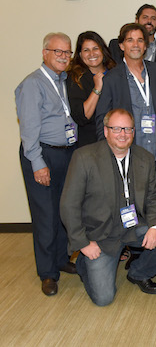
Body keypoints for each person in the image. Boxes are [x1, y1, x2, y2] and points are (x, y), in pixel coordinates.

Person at [60, 109, 156, 306]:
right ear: (106, 131)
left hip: (133, 225)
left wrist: (155, 227)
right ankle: (84, 263)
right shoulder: (84, 158)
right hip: (100, 234)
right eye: (116, 129)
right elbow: (68, 204)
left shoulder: (145, 158)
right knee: (104, 299)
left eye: (127, 129)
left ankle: (138, 273)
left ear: (133, 132)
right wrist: (82, 243)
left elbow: (153, 197)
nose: (122, 134)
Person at [16, 32, 78, 296]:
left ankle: (61, 259)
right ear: (45, 53)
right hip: (42, 154)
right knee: (45, 215)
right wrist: (38, 163)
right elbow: (29, 130)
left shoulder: (63, 81)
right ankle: (47, 273)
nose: (63, 57)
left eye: (67, 52)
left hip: (65, 153)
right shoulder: (33, 84)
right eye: (58, 52)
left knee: (63, 209)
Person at [95, 23, 156, 191]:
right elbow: (101, 118)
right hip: (128, 156)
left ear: (146, 45)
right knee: (132, 209)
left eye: (140, 40)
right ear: (121, 45)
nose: (135, 44)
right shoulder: (112, 78)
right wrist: (109, 155)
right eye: (130, 40)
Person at [67, 31, 117, 147]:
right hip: (90, 143)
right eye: (86, 50)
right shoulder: (75, 78)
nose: (92, 54)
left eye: (95, 48)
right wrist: (97, 88)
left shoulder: (116, 73)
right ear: (80, 54)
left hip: (118, 140)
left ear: (103, 51)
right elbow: (83, 117)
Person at [109, 4, 156, 75]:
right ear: (136, 20)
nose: (149, 21)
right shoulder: (115, 46)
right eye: (145, 17)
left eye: (153, 18)